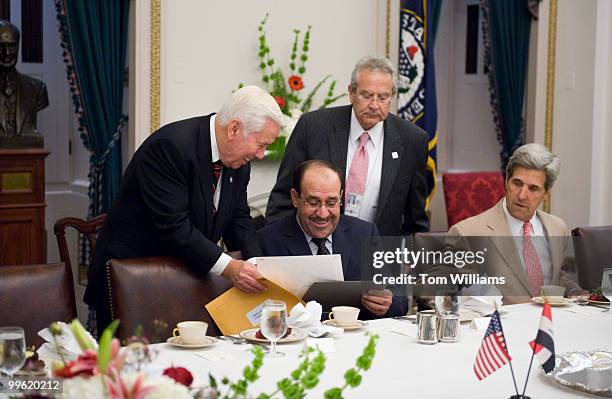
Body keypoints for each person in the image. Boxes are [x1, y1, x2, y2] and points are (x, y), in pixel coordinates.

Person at [88, 85, 284, 332]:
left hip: (181, 281)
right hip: (131, 281)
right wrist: (230, 268)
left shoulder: (238, 162)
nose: (261, 155)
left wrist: (257, 266)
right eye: (260, 144)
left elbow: (239, 218)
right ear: (234, 128)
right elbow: (174, 228)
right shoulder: (172, 146)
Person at [265, 55, 429, 236]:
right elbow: (282, 199)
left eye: (383, 97)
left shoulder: (412, 139)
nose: (374, 105)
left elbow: (415, 221)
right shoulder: (312, 127)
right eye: (367, 96)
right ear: (351, 92)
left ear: (392, 97)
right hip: (313, 249)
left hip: (378, 254)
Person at [259, 160, 407, 318]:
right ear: (295, 198)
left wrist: (386, 303)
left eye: (331, 202)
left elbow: (400, 301)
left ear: (341, 196)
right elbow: (257, 310)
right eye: (313, 202)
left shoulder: (364, 233)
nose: (323, 213)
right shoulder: (267, 241)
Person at [448, 143, 586, 304]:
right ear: (506, 181)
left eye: (533, 188)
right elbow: (442, 293)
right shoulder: (468, 232)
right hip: (499, 326)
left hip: (550, 324)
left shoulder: (558, 227)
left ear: (546, 193)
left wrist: (576, 292)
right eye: (517, 183)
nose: (522, 195)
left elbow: (559, 277)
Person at [0, 20, 48, 146]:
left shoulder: (37, 89)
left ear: (18, 47)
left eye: (11, 45)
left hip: (29, 162)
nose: (7, 53)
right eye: (1, 46)